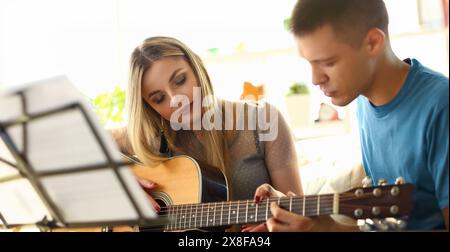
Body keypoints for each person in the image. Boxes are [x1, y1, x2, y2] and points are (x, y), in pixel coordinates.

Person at [252, 0, 448, 231]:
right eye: (310, 63)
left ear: (373, 43)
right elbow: (388, 221)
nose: (315, 79)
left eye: (328, 62)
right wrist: (302, 213)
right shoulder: (364, 102)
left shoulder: (440, 105)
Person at [109, 36, 303, 230]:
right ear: (150, 107)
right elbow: (79, 147)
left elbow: (301, 219)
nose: (176, 99)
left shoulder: (263, 120)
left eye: (180, 80)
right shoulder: (150, 138)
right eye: (159, 98)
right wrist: (117, 182)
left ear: (196, 68)